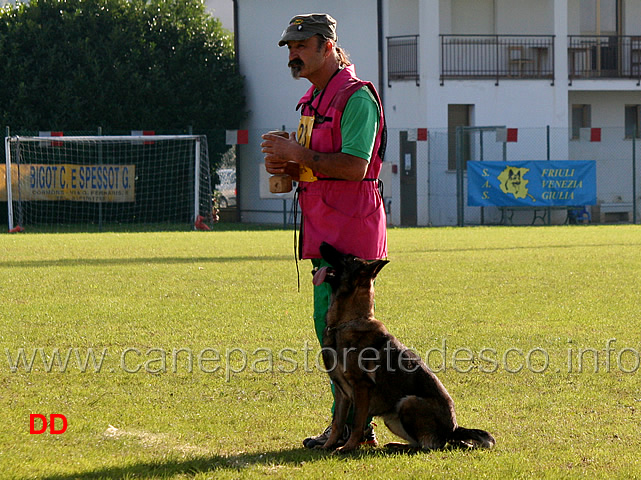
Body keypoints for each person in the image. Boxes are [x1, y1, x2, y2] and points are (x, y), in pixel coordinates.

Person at [261, 13, 387, 449]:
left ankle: (357, 428)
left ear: (328, 48)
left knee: (347, 334)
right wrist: (287, 167)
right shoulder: (312, 102)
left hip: (351, 233)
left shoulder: (356, 99)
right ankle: (349, 427)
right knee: (330, 330)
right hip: (325, 230)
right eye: (290, 48)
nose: (293, 55)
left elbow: (354, 166)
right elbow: (316, 167)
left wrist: (299, 153)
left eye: (301, 46)